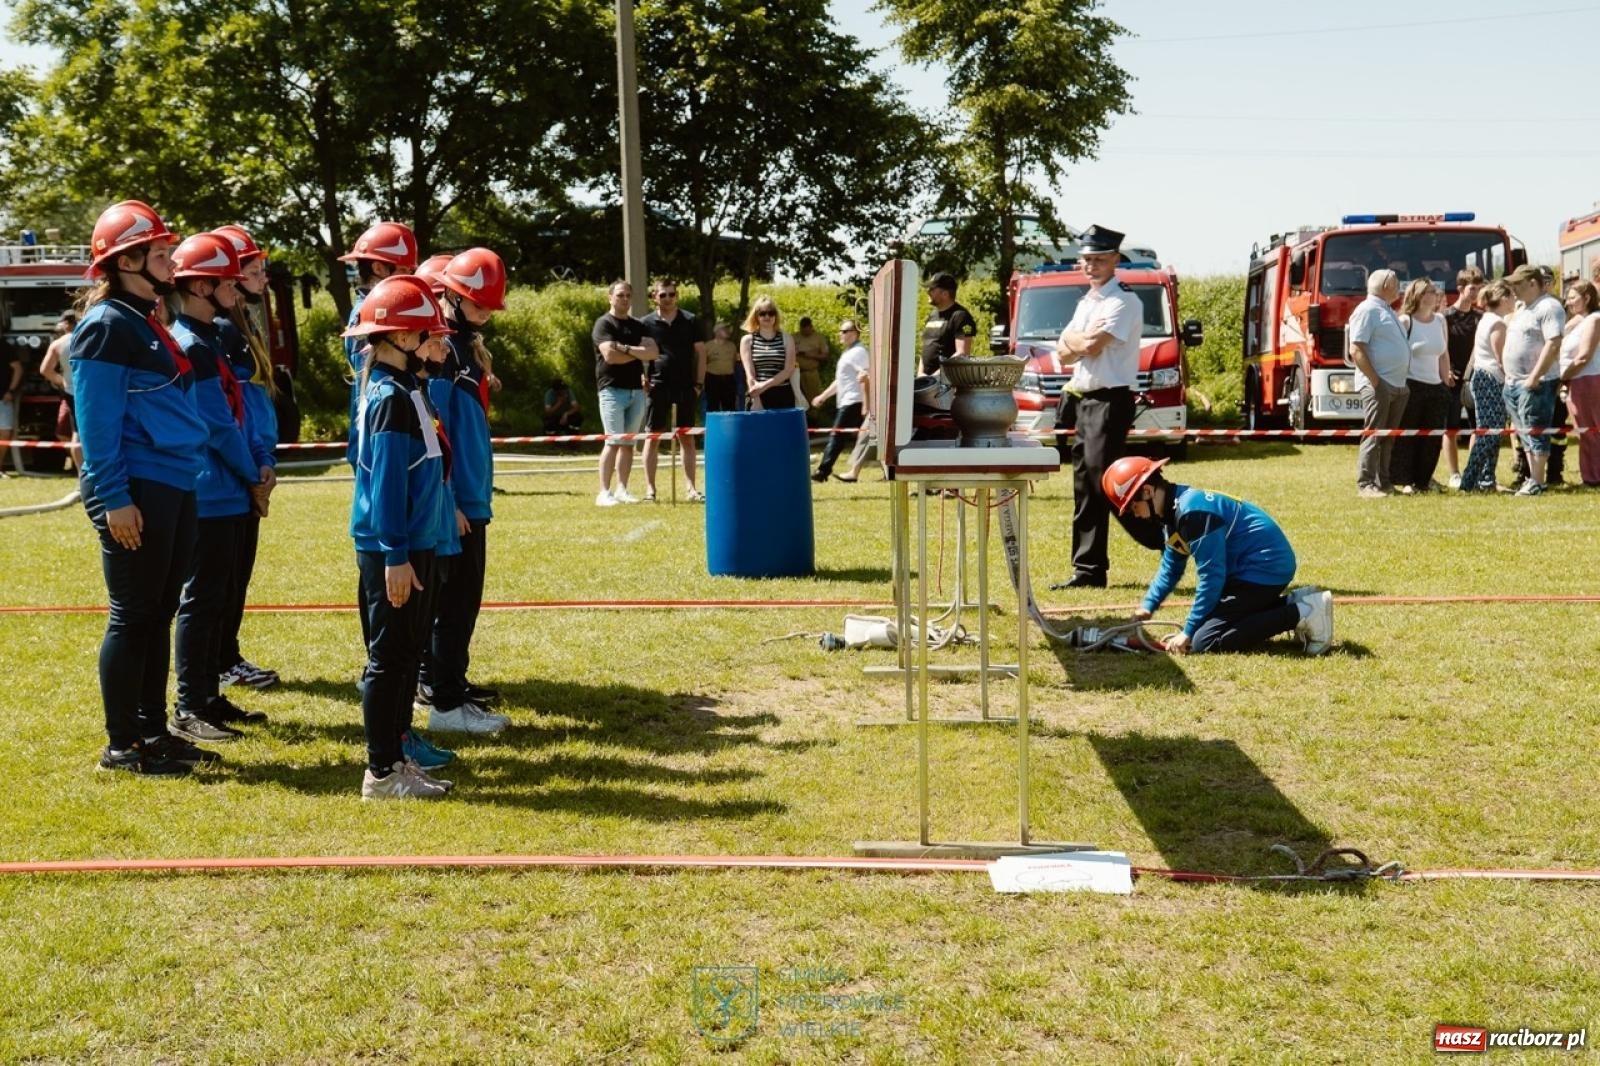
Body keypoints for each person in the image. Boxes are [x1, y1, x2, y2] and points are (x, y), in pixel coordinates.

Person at [72, 200, 214, 775]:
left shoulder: (143, 320)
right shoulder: (107, 326)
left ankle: (153, 732)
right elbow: (97, 425)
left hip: (173, 481)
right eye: (159, 252)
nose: (171, 260)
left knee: (158, 612)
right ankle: (121, 745)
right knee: (133, 615)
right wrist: (114, 498)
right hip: (138, 488)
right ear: (128, 259)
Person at [347, 275, 460, 799]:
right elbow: (387, 480)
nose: (440, 343)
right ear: (402, 339)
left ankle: (396, 758)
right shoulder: (390, 397)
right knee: (389, 660)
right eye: (430, 335)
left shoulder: (408, 390)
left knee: (404, 655)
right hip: (395, 547)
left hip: (415, 541)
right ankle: (382, 771)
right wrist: (395, 553)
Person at [166, 233, 270, 744]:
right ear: (203, 285)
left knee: (221, 595)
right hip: (211, 492)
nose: (237, 285)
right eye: (228, 278)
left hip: (232, 487)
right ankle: (189, 705)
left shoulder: (212, 338)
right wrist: (254, 473)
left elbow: (242, 412)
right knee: (202, 600)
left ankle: (208, 696)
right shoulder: (190, 344)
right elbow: (215, 424)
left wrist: (261, 465)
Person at [1104, 456, 1333, 655]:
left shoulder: (1192, 514)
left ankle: (1305, 612)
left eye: (1134, 508)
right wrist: (1148, 606)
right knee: (1208, 625)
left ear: (1147, 491)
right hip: (1253, 570)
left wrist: (1188, 631)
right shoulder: (1174, 514)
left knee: (1206, 640)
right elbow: (1171, 567)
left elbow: (1212, 577)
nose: (1137, 516)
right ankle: (1296, 602)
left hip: (1265, 568)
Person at [420, 248, 512, 735]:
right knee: (453, 606)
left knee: (463, 603)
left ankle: (450, 691)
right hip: (457, 502)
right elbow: (437, 430)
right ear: (452, 297)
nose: (485, 315)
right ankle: (446, 704)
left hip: (471, 496)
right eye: (478, 306)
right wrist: (449, 497)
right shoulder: (444, 352)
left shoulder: (463, 347)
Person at [1047, 225, 1141, 589]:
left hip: (1110, 400)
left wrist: (1077, 342)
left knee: (1109, 487)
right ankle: (1087, 570)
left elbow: (1090, 346)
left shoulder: (1124, 300)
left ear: (1116, 260)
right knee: (1085, 487)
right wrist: (1076, 341)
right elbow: (1064, 350)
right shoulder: (1088, 302)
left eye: (1100, 259)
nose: (1092, 265)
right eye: (1087, 259)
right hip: (1084, 401)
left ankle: (1167, 534)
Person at [210, 225, 280, 692]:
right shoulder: (218, 331)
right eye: (250, 270)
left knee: (237, 574)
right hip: (229, 471)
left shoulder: (241, 320)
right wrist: (252, 465)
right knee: (219, 580)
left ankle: (224, 656)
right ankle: (218, 663)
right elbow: (231, 410)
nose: (261, 278)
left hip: (251, 459)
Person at [338, 221, 418, 468]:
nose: (411, 279)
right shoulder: (369, 316)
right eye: (405, 270)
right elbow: (376, 379)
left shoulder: (374, 313)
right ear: (379, 267)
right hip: (379, 438)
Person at [592, 279, 658, 506]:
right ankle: (604, 492)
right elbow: (610, 356)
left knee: (629, 444)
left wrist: (626, 348)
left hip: (636, 392)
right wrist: (637, 353)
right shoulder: (604, 324)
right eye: (620, 295)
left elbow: (652, 353)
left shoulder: (638, 325)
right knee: (613, 441)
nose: (624, 299)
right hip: (611, 390)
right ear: (610, 297)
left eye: (628, 295)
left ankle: (622, 489)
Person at [1501, 264, 1565, 496]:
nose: (1513, 289)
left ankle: (1537, 480)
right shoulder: (1524, 308)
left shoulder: (1549, 307)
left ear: (1533, 283)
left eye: (1517, 284)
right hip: (1514, 383)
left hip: (1536, 382)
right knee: (1525, 432)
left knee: (1536, 430)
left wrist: (1534, 377)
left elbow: (1553, 342)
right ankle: (1533, 478)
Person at [640, 278, 705, 501]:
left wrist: (699, 384)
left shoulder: (690, 320)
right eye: (663, 295)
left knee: (687, 438)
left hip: (686, 386)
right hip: (657, 386)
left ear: (677, 295)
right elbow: (638, 354)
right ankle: (650, 489)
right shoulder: (645, 323)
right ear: (654, 297)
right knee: (653, 436)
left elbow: (701, 353)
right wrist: (643, 379)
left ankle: (691, 489)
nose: (668, 298)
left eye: (672, 294)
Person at [1348, 269, 1410, 498]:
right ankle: (1366, 484)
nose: (1399, 287)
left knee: (1388, 437)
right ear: (1385, 285)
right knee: (1374, 435)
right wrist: (1376, 382)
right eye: (1396, 283)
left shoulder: (1386, 310)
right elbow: (1356, 348)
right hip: (1379, 385)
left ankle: (1384, 482)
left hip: (1397, 385)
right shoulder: (1367, 310)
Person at [1389, 279, 1453, 494]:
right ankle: (1406, 480)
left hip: (1436, 386)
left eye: (1434, 292)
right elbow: (1397, 355)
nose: (1433, 295)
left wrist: (1446, 379)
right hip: (1412, 385)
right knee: (1409, 436)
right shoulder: (1406, 321)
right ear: (1417, 295)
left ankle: (1424, 480)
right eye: (1428, 292)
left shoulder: (1440, 321)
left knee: (1432, 438)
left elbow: (1443, 354)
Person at [1458, 280, 1513, 493]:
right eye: (1511, 296)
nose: (1514, 300)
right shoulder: (1497, 324)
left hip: (1483, 378)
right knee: (1490, 433)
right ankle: (1470, 480)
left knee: (1490, 432)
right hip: (1490, 379)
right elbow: (1501, 358)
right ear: (1503, 298)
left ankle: (1486, 480)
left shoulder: (1486, 319)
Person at [811, 319, 869, 482]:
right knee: (867, 437)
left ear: (855, 333)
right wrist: (823, 396)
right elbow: (840, 381)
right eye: (840, 331)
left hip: (854, 401)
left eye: (844, 331)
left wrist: (866, 404)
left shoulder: (859, 352)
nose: (840, 334)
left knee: (837, 436)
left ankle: (822, 471)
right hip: (848, 401)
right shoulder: (849, 353)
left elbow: (865, 376)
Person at [1441, 267, 1484, 487]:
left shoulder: (1481, 317)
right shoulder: (1445, 317)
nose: (1476, 293)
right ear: (1460, 289)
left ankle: (1472, 471)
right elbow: (1441, 347)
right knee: (1451, 428)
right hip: (1451, 378)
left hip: (1474, 379)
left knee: (1477, 426)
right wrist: (1445, 370)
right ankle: (1454, 473)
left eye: (1478, 288)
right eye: (1472, 288)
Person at [1557, 280, 1600, 487]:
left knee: (1592, 431)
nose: (1569, 302)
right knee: (1585, 432)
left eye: (1573, 298)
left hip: (1590, 380)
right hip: (1578, 381)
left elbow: (1584, 357)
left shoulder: (1594, 319)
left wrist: (1563, 377)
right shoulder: (1578, 321)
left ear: (1587, 298)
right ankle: (1590, 475)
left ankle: (1593, 477)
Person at [739, 295, 797, 410]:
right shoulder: (747, 340)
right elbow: (750, 374)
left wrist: (764, 386)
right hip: (757, 394)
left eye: (771, 313)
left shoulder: (787, 338)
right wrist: (756, 399)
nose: (767, 316)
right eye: (762, 313)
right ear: (756, 316)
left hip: (783, 395)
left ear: (775, 316)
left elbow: (788, 370)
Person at [38, 313, 81, 469]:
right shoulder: (92, 338)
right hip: (93, 391)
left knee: (77, 433)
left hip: (72, 392)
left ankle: (82, 475)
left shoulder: (58, 344)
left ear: (67, 324)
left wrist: (62, 382)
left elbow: (45, 370)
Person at [919, 272, 976, 375]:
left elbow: (962, 354)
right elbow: (926, 348)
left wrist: (935, 377)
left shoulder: (961, 316)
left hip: (947, 385)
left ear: (945, 294)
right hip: (926, 383)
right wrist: (920, 374)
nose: (928, 291)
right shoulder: (932, 315)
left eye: (932, 289)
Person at [793, 316, 831, 415]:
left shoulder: (819, 338)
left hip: (811, 373)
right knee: (797, 400)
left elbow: (825, 356)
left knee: (813, 400)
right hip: (795, 373)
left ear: (811, 327)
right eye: (802, 329)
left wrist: (810, 355)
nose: (804, 331)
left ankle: (814, 421)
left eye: (806, 329)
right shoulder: (794, 337)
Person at [702, 323, 739, 413]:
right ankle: (714, 426)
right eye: (724, 329)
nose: (727, 331)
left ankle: (730, 426)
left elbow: (734, 361)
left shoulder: (732, 346)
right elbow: (702, 364)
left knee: (730, 406)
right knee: (712, 405)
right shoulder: (707, 346)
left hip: (729, 379)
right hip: (712, 379)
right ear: (717, 331)